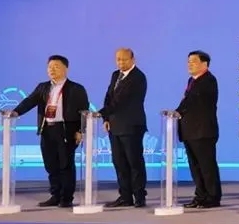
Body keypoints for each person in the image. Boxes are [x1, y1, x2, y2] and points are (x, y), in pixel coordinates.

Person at [11, 55, 90, 208]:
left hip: (66, 130)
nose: (52, 70)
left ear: (66, 69)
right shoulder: (43, 87)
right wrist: (16, 112)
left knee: (65, 165)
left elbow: (84, 111)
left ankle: (66, 198)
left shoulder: (76, 88)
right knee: (51, 164)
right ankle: (55, 195)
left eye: (56, 67)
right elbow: (29, 101)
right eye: (50, 67)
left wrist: (81, 130)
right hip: (47, 129)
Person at [100, 47, 149, 208]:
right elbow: (109, 97)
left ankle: (139, 196)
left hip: (131, 126)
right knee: (119, 162)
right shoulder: (116, 75)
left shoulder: (138, 77)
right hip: (115, 126)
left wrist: (99, 113)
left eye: (124, 59)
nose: (120, 62)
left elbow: (121, 100)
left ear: (133, 60)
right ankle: (125, 196)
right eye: (118, 59)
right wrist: (106, 118)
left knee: (134, 162)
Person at [177, 50, 221, 208]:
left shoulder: (208, 80)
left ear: (205, 64)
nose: (190, 64)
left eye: (194, 61)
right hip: (190, 130)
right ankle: (200, 195)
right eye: (188, 61)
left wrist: (179, 110)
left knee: (207, 166)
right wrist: (177, 112)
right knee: (195, 166)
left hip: (203, 131)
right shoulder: (192, 80)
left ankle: (212, 197)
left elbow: (194, 102)